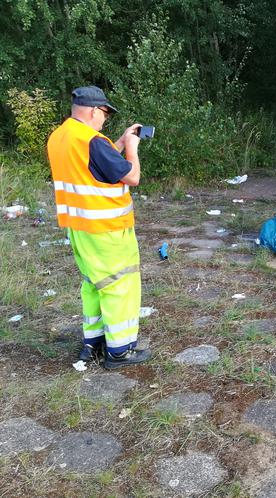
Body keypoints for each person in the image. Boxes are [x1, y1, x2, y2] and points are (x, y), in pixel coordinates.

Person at [46, 86, 151, 369]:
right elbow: (132, 176)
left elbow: (92, 168)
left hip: (78, 228)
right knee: (119, 285)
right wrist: (132, 148)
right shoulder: (92, 140)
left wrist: (115, 143)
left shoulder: (60, 137)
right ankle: (118, 351)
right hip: (107, 229)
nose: (105, 119)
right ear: (94, 111)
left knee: (94, 284)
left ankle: (92, 343)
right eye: (105, 113)